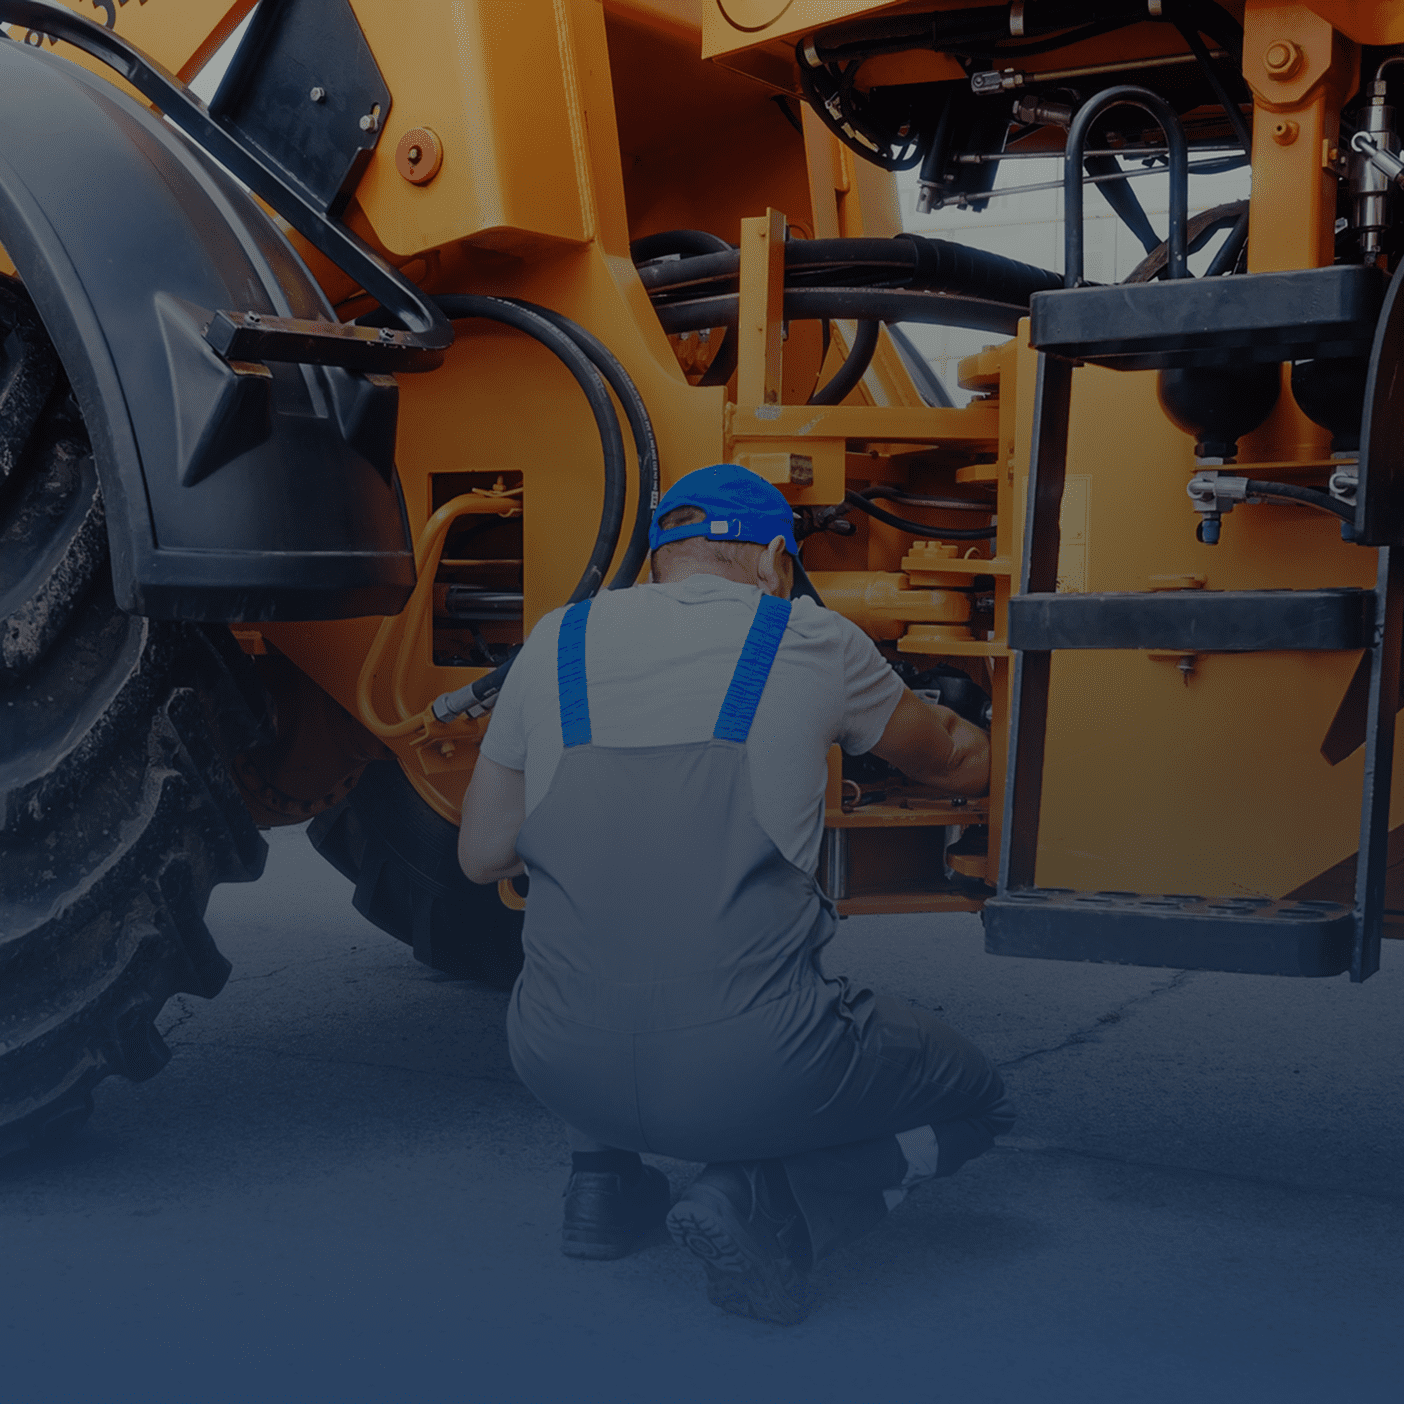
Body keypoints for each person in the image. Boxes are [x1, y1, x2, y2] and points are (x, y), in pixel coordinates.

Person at [459, 463, 1013, 1324]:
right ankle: (771, 1197)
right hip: (756, 1069)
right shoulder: (809, 638)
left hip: (555, 1064)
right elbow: (949, 754)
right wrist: (1028, 744)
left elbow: (481, 852)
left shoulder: (556, 639)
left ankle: (599, 1189)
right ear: (776, 564)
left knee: (614, 917)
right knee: (981, 1104)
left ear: (657, 565)